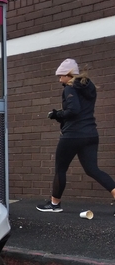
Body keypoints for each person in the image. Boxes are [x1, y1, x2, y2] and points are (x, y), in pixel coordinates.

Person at [37, 58, 115, 213]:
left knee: (61, 168)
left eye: (61, 76)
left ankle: (54, 204)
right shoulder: (89, 87)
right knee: (92, 169)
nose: (60, 80)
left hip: (73, 135)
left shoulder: (70, 88)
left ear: (69, 74)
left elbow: (74, 110)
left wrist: (56, 114)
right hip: (91, 134)